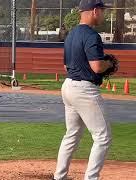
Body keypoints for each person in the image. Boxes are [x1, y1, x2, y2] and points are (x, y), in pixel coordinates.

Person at [53, 1, 113, 180]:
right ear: (94, 11)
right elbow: (96, 67)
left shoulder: (71, 34)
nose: (103, 14)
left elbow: (66, 66)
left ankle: (59, 176)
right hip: (84, 90)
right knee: (103, 137)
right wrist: (108, 64)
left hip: (68, 86)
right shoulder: (92, 36)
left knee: (72, 135)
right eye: (102, 10)